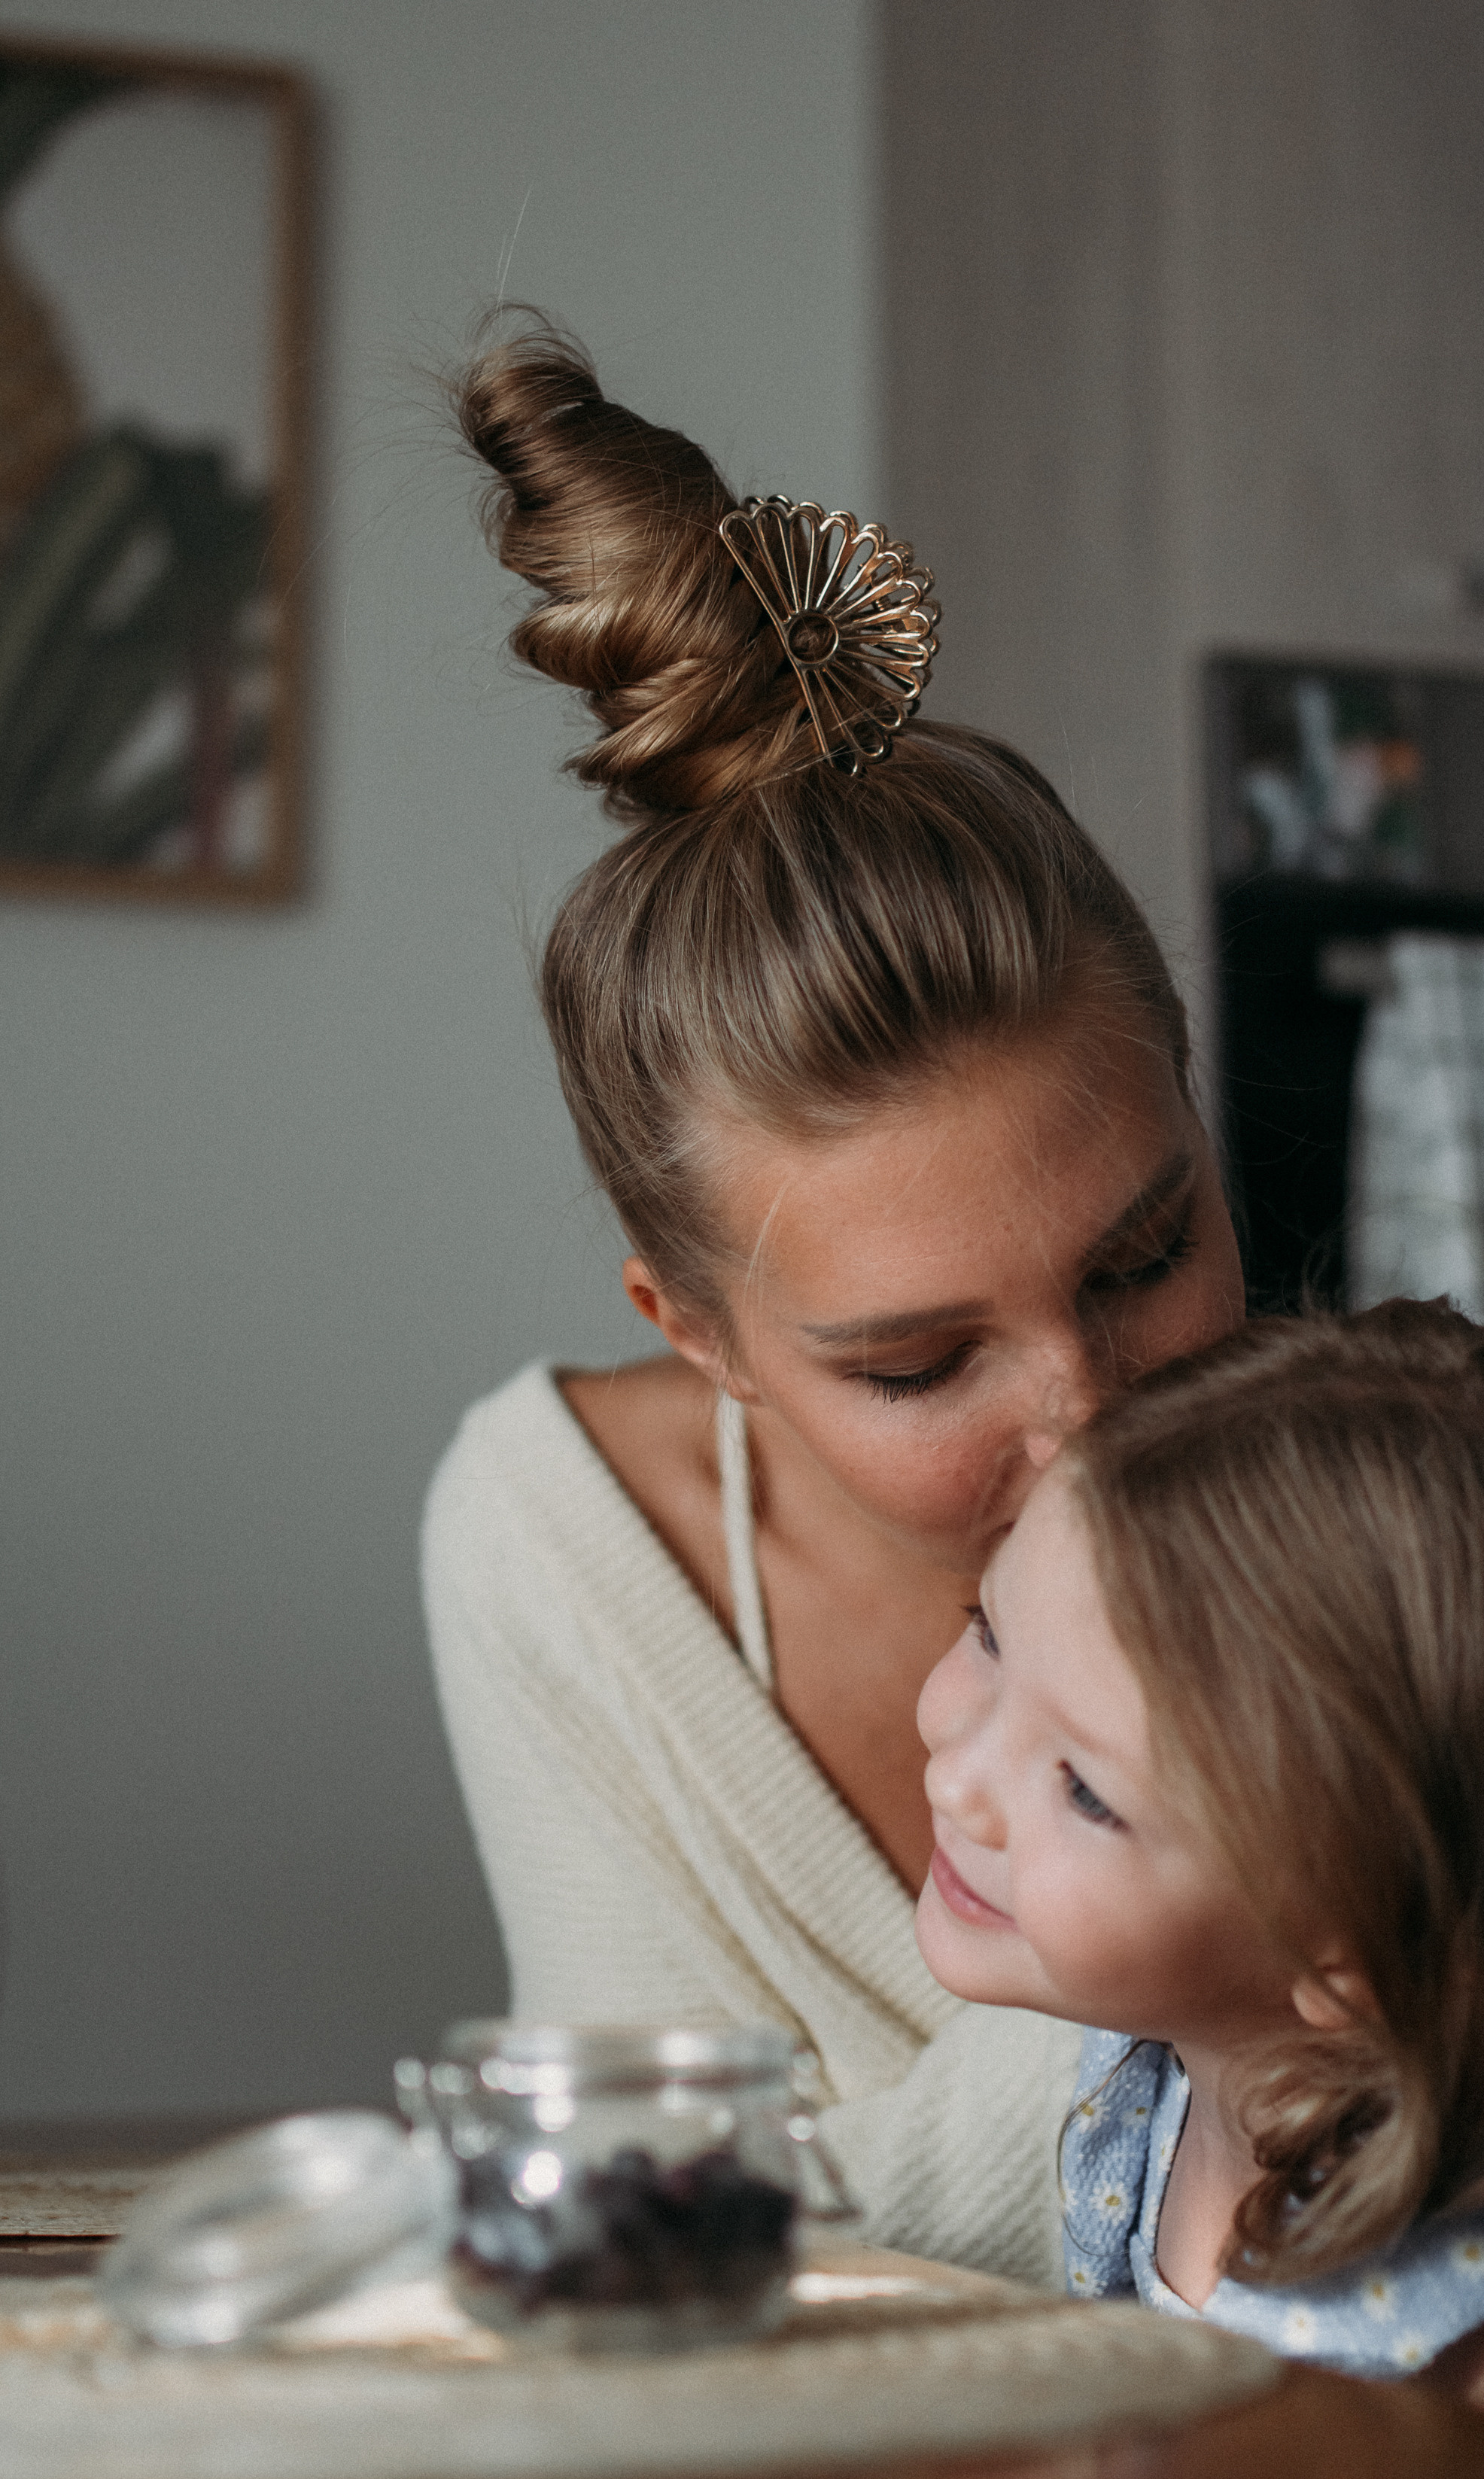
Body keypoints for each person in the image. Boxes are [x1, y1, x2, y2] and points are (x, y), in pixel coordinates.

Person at [421, 324, 1245, 2287]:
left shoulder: (1392, 1495)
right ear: (692, 1327)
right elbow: (642, 2239)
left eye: (1144, 1254)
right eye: (915, 1358)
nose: (1087, 1408)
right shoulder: (559, 1550)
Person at [917, 1299, 1484, 2450]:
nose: (959, 1778)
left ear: (1351, 1959)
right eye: (989, 1632)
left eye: (1086, 1791)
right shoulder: (1167, 2056)